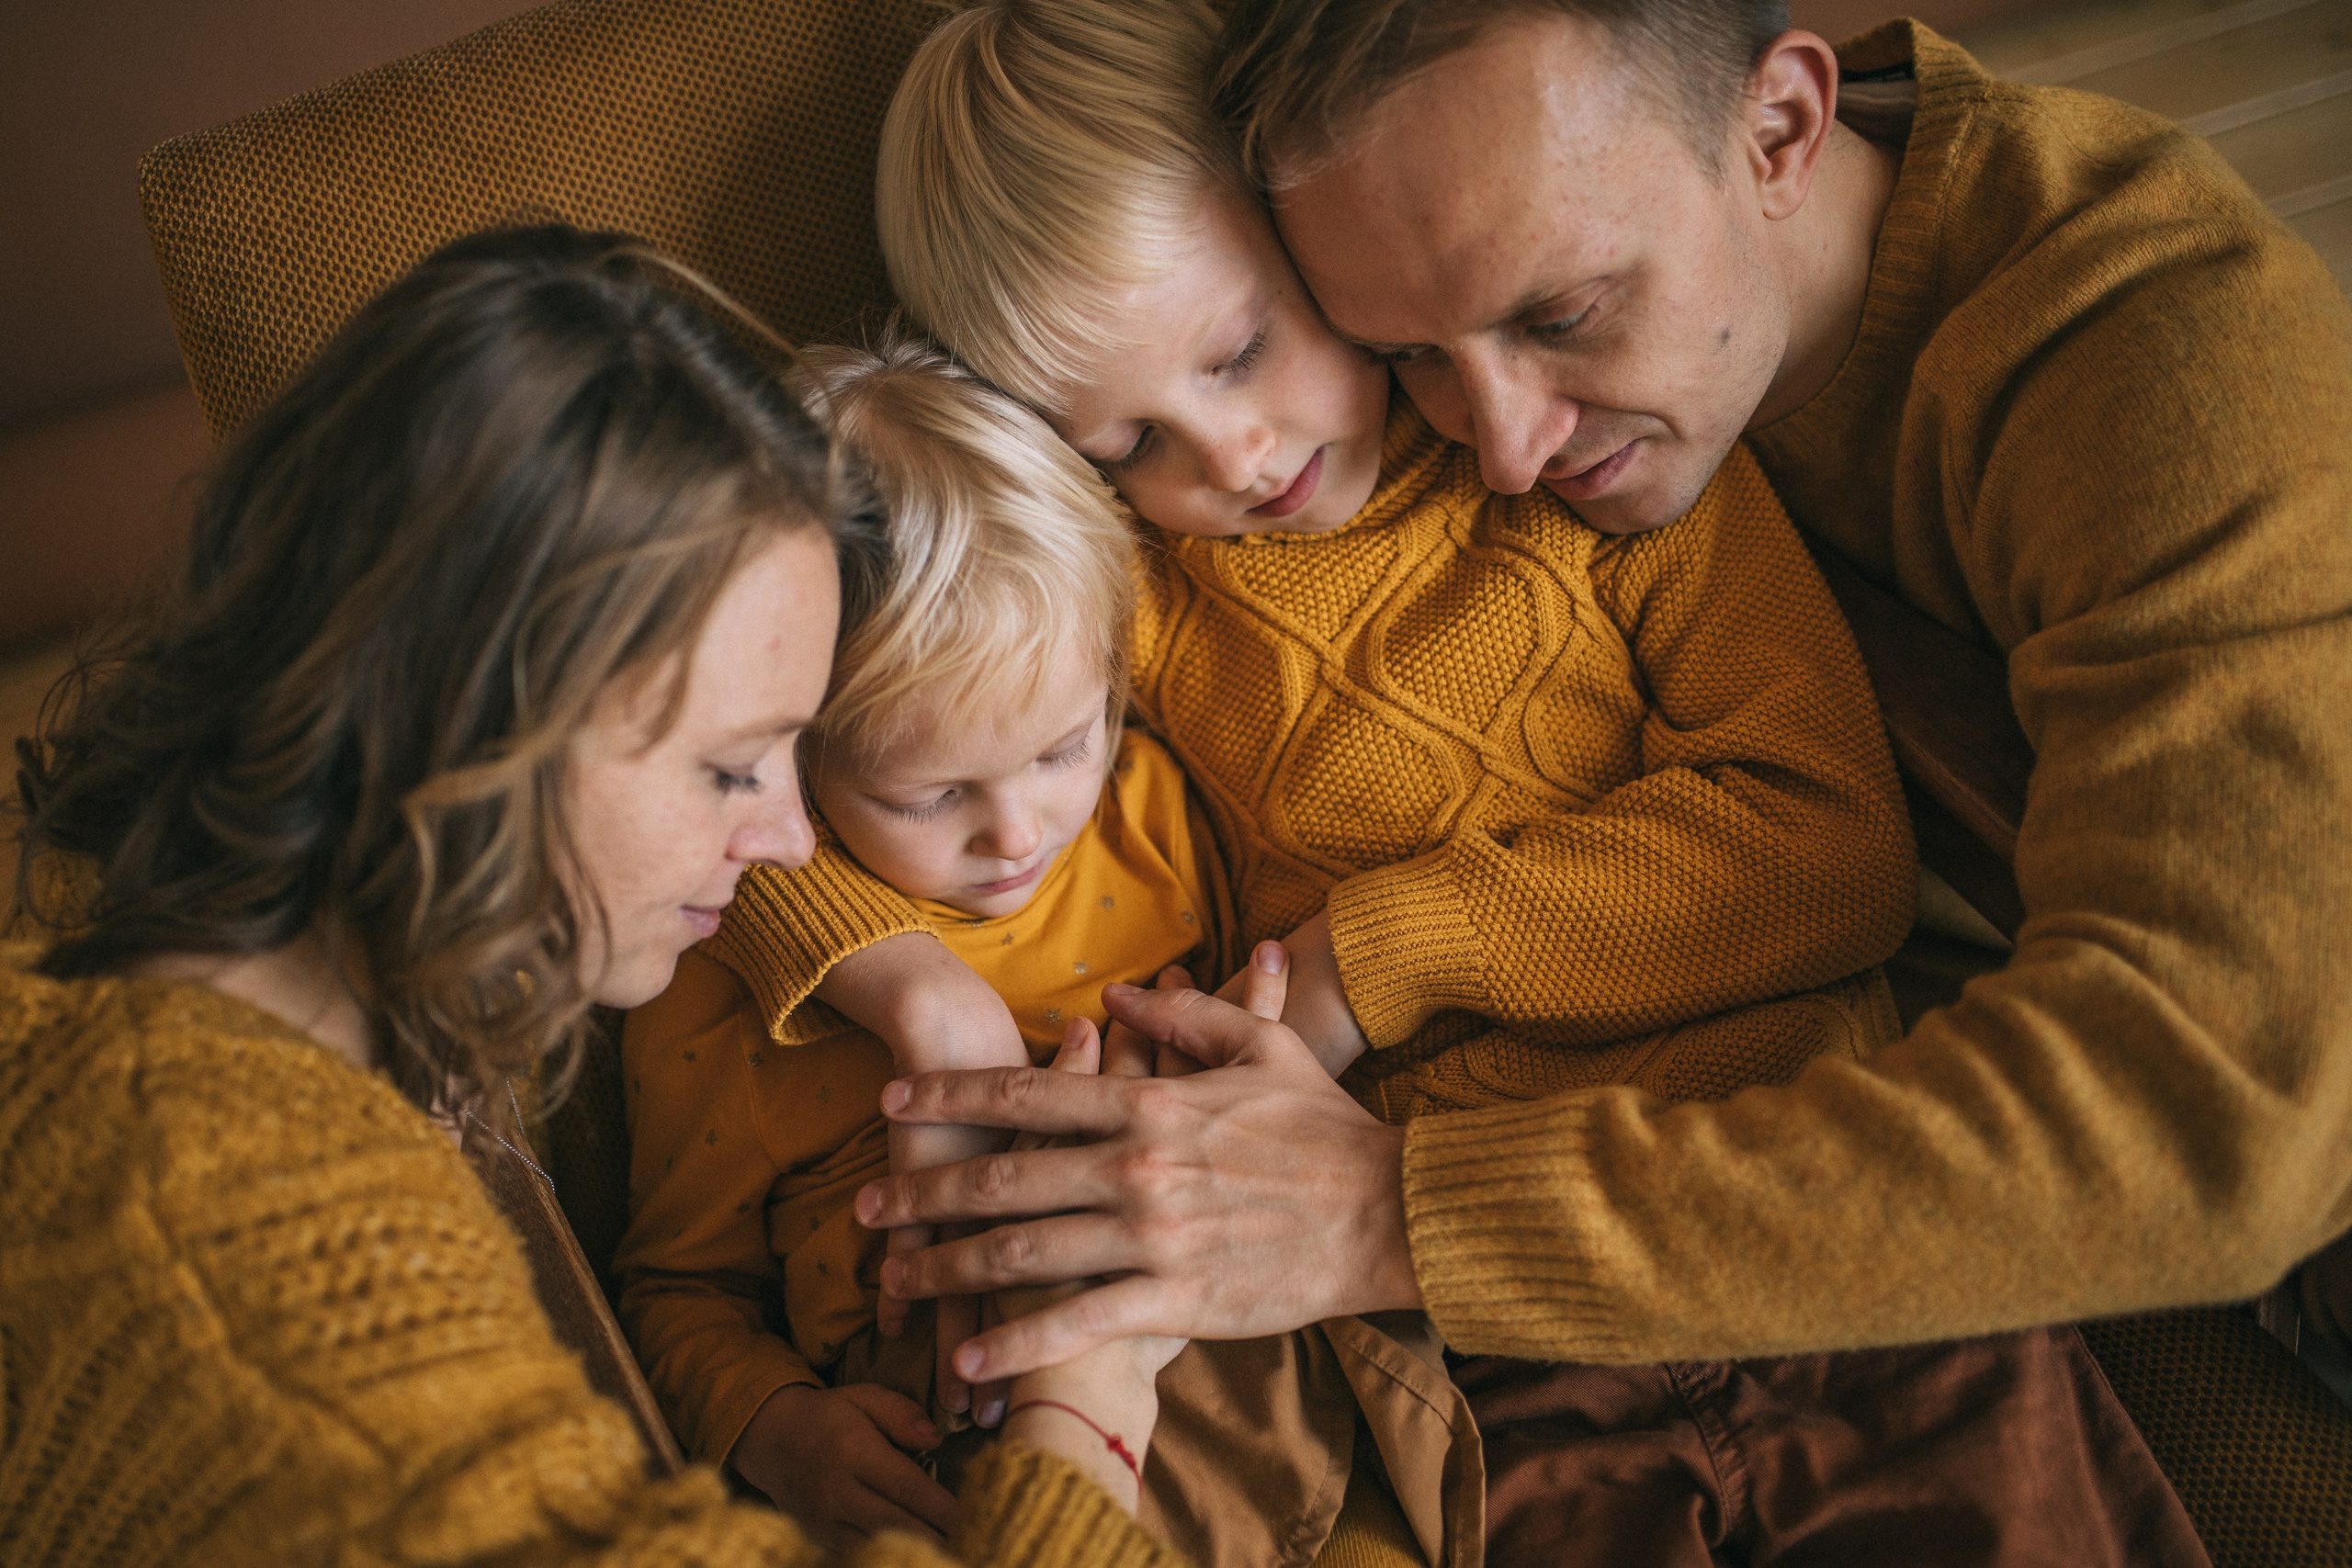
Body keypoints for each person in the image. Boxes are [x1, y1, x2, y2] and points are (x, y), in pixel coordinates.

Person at [705, 4, 2207, 1559]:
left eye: (1240, 349)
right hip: (1473, 1337)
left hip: (1818, 1223)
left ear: (1321, 236)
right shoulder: (1130, 583)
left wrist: (1378, 960)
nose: (1226, 453)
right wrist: (913, 991)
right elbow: (816, 744)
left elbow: (1828, 846)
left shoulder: (1605, 469)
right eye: (1128, 437)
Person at [0, 224, 1188, 1568]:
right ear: (476, 725)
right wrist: (1088, 1388)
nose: (795, 846)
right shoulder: (285, 1309)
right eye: (734, 768)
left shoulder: (139, 1028)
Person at [612, 330, 1477, 1566]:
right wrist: (775, 1426)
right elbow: (675, 1292)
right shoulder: (715, 975)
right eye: (928, 796)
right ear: (794, 753)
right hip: (966, 1445)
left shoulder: (1158, 809)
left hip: (1279, 1356)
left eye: (1067, 746)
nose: (1017, 831)